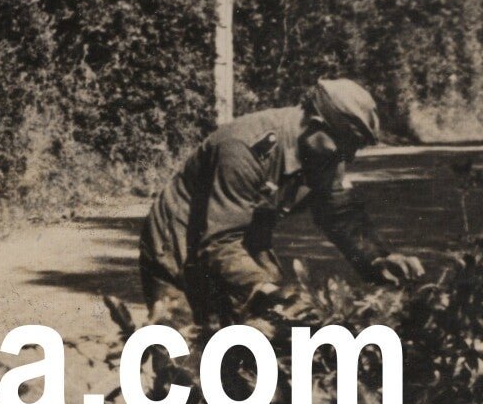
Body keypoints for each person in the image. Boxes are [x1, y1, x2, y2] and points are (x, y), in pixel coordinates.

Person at [138, 78, 424, 330]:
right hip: (179, 245)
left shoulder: (325, 152)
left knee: (266, 336)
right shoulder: (244, 148)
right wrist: (262, 288)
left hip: (240, 239)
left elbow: (338, 213)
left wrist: (377, 258)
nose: (347, 159)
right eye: (345, 145)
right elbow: (218, 241)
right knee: (184, 352)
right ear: (314, 124)